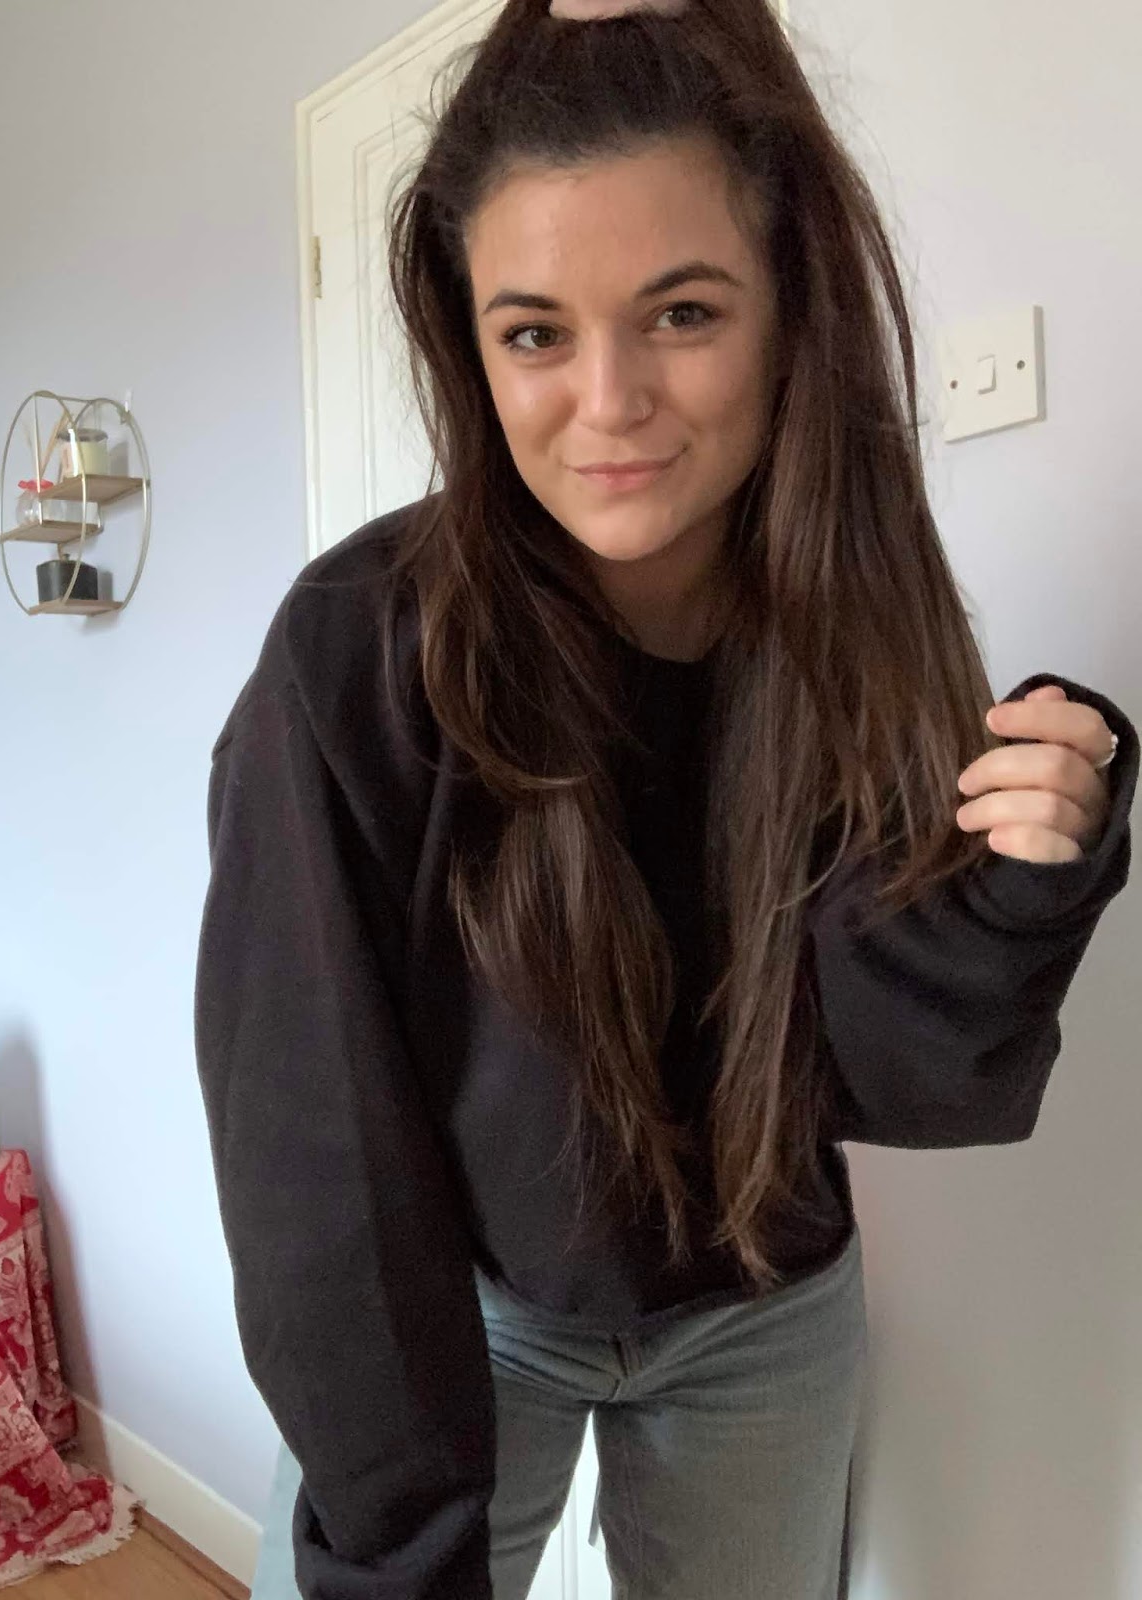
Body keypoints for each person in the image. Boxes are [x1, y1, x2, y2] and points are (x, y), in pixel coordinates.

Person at [193, 2, 1137, 1597]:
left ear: (788, 311)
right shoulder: (356, 652)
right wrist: (396, 1543)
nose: (609, 399)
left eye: (683, 312)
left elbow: (905, 1074)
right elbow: (315, 1154)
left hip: (767, 1309)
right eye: (535, 333)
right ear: (471, 345)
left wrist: (1032, 874)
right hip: (456, 1314)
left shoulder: (854, 632)